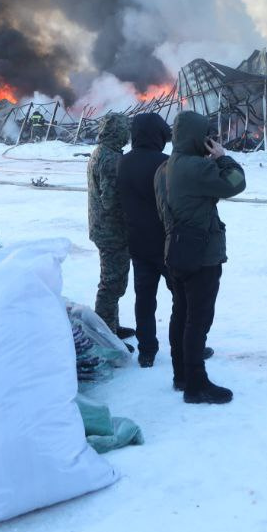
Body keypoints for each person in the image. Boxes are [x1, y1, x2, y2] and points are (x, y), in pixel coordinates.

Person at [155, 111, 246, 404]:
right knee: (198, 320)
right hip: (202, 254)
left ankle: (181, 375)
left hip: (175, 249)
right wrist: (222, 158)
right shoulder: (197, 168)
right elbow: (235, 183)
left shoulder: (165, 168)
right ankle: (196, 384)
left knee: (180, 313)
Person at [118, 112, 184, 367]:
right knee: (181, 298)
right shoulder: (166, 163)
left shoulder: (122, 162)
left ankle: (147, 350)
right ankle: (185, 344)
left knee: (144, 299)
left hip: (137, 242)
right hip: (166, 244)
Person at [87, 113, 135, 340]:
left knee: (112, 281)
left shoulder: (102, 152)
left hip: (102, 228)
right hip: (112, 231)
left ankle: (111, 325)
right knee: (112, 284)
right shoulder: (111, 159)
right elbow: (110, 200)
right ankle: (105, 336)